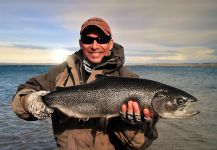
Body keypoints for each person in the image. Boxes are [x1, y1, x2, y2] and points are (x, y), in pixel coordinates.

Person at [11, 17, 158, 150]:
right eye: (88, 40)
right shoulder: (60, 72)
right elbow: (20, 99)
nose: (95, 46)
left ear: (110, 43)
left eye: (102, 39)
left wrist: (131, 124)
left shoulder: (131, 81)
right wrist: (30, 101)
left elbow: (141, 144)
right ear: (81, 43)